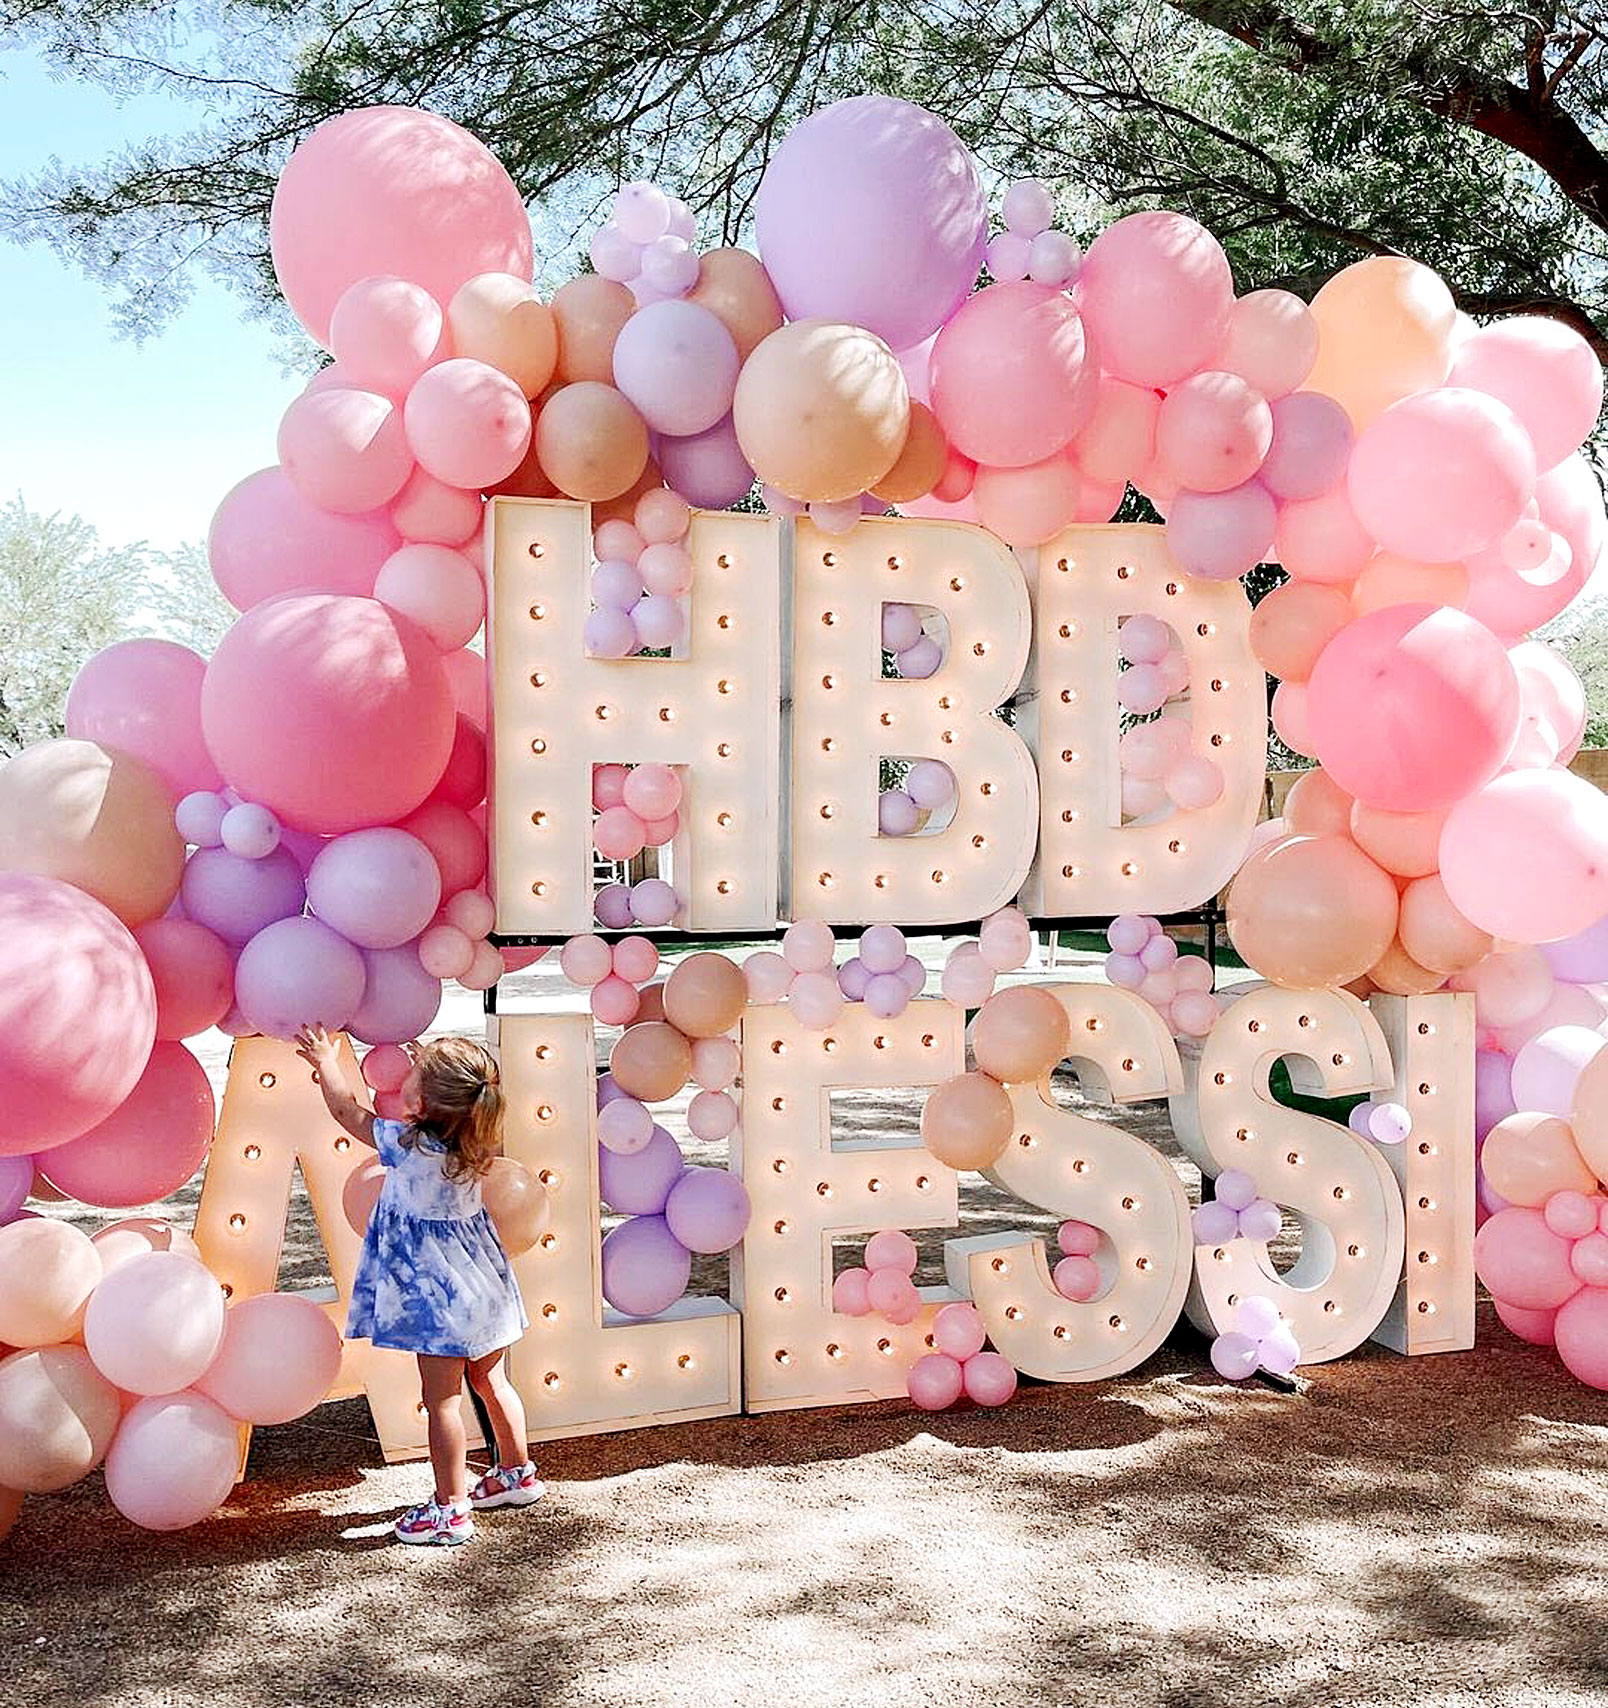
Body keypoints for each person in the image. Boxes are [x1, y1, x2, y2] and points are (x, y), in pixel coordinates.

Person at [294, 1024, 543, 1546]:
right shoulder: (475, 1140)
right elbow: (454, 1098)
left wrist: (326, 1062)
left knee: (442, 1403)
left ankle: (449, 1509)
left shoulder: (406, 1146)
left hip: (438, 1299)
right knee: (492, 1383)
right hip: (484, 1288)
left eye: (414, 1074)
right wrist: (435, 1070)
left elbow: (347, 1112)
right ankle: (516, 1474)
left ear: (423, 1102)